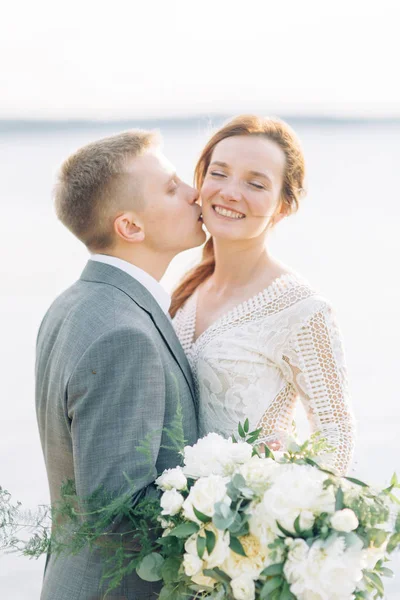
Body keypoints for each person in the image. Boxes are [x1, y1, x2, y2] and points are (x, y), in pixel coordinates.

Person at [35, 129, 205, 600]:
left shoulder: (74, 303)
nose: (196, 192)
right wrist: (250, 489)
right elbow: (118, 511)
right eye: (172, 188)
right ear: (130, 226)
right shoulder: (124, 332)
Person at [171, 115, 355, 475]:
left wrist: (268, 512)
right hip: (174, 520)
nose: (230, 192)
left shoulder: (302, 309)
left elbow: (337, 441)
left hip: (247, 522)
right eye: (219, 174)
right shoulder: (186, 290)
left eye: (255, 184)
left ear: (282, 206)